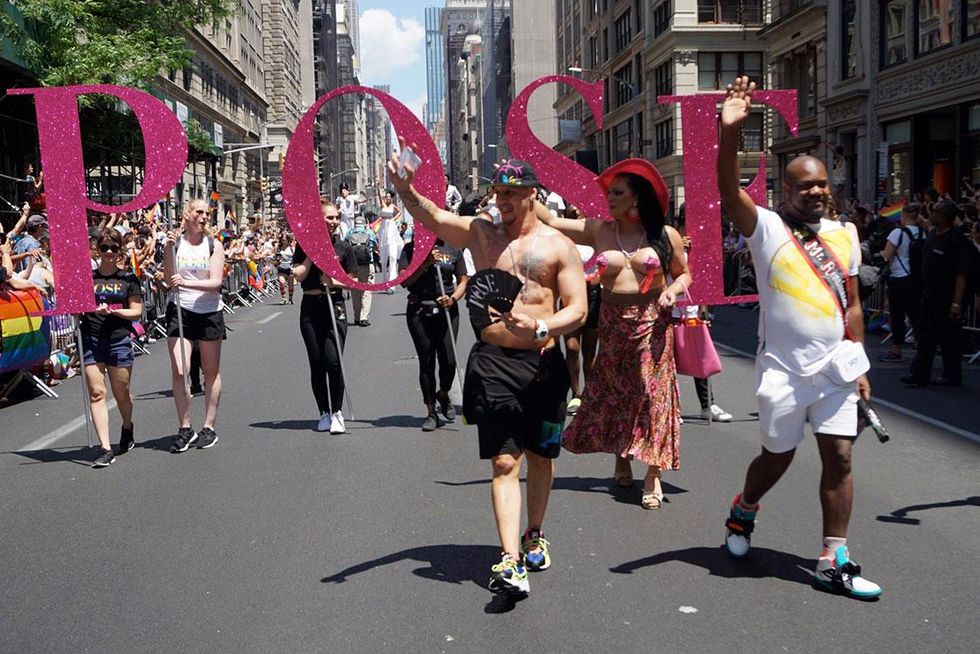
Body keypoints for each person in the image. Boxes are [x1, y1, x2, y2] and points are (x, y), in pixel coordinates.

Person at [390, 146, 587, 598]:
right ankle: (509, 559)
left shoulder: (558, 247)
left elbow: (578, 309)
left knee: (541, 457)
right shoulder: (481, 234)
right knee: (503, 461)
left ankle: (534, 532)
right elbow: (436, 217)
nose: (502, 201)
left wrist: (542, 323)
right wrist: (405, 189)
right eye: (497, 192)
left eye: (511, 194)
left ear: (532, 195)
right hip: (495, 361)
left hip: (543, 364)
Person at [718, 76, 881, 600]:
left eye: (821, 184)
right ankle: (743, 510)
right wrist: (730, 135)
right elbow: (727, 190)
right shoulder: (765, 228)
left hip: (835, 368)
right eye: (803, 185)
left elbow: (851, 302)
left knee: (840, 457)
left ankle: (835, 555)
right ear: (785, 191)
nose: (815, 191)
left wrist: (861, 365)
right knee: (777, 456)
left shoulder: (844, 234)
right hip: (783, 371)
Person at [536, 159, 690, 511]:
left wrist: (673, 291)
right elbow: (550, 220)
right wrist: (527, 186)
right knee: (619, 393)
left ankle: (653, 474)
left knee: (653, 398)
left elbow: (684, 274)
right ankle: (622, 455)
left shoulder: (665, 236)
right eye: (610, 192)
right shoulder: (598, 229)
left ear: (637, 197)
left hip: (653, 323)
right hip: (613, 324)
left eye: (617, 192)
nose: (610, 198)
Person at [163, 199, 227, 453]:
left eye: (206, 213)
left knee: (210, 371)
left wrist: (187, 284)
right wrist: (168, 248)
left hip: (209, 311)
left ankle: (208, 427)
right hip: (179, 310)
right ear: (186, 215)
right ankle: (185, 427)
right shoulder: (176, 244)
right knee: (181, 369)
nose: (203, 217)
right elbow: (169, 279)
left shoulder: (214, 245)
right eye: (198, 212)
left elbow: (216, 282)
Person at [293, 199, 359, 433]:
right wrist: (313, 254)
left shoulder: (344, 247)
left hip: (335, 305)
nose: (333, 222)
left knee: (333, 360)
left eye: (335, 218)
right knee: (317, 362)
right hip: (311, 307)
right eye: (329, 217)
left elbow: (354, 281)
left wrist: (334, 282)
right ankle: (324, 412)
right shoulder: (303, 245)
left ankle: (337, 411)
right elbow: (299, 275)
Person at [79, 228, 142, 467]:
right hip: (91, 339)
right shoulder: (87, 277)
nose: (108, 252)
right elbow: (76, 305)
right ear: (97, 248)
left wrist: (113, 311)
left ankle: (127, 425)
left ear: (119, 250)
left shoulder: (128, 279)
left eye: (113, 248)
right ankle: (105, 448)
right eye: (104, 247)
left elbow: (136, 311)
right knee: (97, 393)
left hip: (118, 339)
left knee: (121, 393)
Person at [901, 200, 970, 387]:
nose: (932, 214)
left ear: (945, 217)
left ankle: (952, 375)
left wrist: (956, 303)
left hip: (947, 298)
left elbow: (961, 274)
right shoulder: (931, 235)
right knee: (925, 337)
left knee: (949, 340)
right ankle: (920, 374)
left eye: (937, 212)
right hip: (929, 295)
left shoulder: (956, 240)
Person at [401, 239, 469, 431]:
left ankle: (444, 393)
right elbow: (405, 281)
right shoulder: (410, 249)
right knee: (427, 361)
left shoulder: (453, 247)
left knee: (449, 360)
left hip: (447, 309)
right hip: (420, 310)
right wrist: (426, 263)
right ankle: (431, 412)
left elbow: (463, 279)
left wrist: (454, 297)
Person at [879, 203, 924, 361]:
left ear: (904, 215)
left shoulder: (897, 233)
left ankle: (896, 349)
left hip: (899, 278)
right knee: (915, 314)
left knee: (897, 315)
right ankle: (923, 348)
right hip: (916, 279)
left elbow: (887, 254)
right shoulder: (922, 233)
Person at [345, 214, 379, 326]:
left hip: (353, 265)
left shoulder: (349, 233)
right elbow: (375, 246)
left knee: (355, 291)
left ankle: (356, 317)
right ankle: (364, 317)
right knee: (366, 291)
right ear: (364, 224)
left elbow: (344, 246)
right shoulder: (369, 233)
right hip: (367, 264)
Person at [376, 180, 404, 291]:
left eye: (389, 196)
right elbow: (378, 196)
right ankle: (385, 279)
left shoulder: (393, 206)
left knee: (392, 257)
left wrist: (395, 219)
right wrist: (378, 187)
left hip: (392, 231)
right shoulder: (382, 204)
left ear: (391, 198)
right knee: (383, 259)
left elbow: (400, 212)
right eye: (386, 196)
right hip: (383, 232)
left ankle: (392, 283)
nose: (387, 198)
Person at [276, 234, 295, 304]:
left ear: (288, 240)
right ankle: (283, 298)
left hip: (289, 268)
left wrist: (293, 266)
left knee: (290, 284)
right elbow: (276, 257)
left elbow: (295, 257)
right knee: (282, 283)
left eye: (285, 240)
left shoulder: (291, 248)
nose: (283, 241)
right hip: (281, 268)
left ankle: (290, 298)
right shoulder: (279, 248)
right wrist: (277, 260)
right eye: (282, 240)